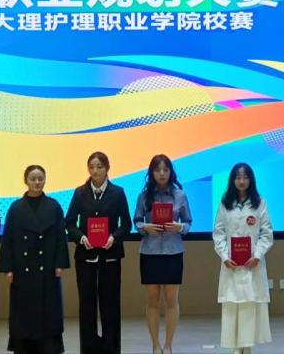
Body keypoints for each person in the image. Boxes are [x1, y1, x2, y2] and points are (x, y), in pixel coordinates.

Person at [0, 165, 70, 353]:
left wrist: (60, 263)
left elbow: (61, 237)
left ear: (45, 180)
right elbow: (8, 239)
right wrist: (8, 268)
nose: (37, 182)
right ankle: (24, 347)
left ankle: (49, 347)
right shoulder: (15, 207)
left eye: (40, 179)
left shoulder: (54, 206)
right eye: (33, 179)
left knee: (49, 309)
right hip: (22, 268)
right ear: (26, 181)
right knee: (23, 309)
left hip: (48, 266)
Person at [65, 151, 132, 353]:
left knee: (110, 304)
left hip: (110, 256)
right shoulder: (80, 193)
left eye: (99, 167)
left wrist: (114, 237)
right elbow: (70, 222)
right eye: (91, 167)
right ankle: (89, 348)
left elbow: (126, 224)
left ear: (107, 168)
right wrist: (80, 237)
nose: (95, 171)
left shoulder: (117, 193)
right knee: (87, 305)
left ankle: (111, 348)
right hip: (85, 257)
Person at [133, 154, 193, 354]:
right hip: (149, 252)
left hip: (173, 251)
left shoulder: (180, 195)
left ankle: (168, 345)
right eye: (157, 170)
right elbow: (137, 221)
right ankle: (155, 345)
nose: (161, 174)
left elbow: (188, 222)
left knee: (171, 300)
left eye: (165, 170)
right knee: (152, 300)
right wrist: (145, 227)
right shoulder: (143, 196)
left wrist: (179, 227)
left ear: (170, 172)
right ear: (151, 173)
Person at [213, 163, 273, 354]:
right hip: (231, 264)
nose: (241, 181)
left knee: (249, 304)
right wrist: (224, 256)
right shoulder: (225, 203)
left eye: (245, 177)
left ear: (251, 180)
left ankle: (247, 346)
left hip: (252, 264)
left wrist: (257, 255)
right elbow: (218, 233)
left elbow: (266, 234)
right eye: (238, 177)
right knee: (232, 305)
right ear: (232, 180)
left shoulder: (260, 203)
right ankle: (236, 347)